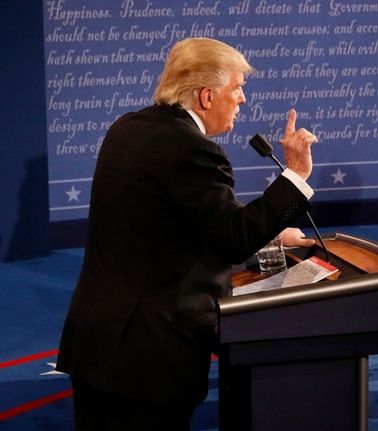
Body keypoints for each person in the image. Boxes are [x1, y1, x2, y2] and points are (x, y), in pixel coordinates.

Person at [56, 37, 318, 429]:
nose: (243, 99)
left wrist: (273, 236)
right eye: (237, 88)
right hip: (149, 356)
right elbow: (231, 239)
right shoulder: (192, 150)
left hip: (99, 341)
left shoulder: (128, 128)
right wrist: (295, 176)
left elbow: (164, 225)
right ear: (207, 96)